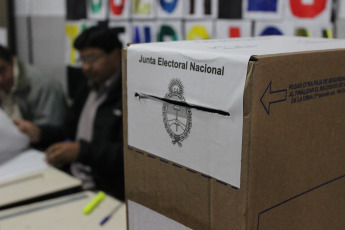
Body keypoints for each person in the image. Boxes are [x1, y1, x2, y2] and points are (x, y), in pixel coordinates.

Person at [14, 25, 125, 201]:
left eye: (93, 58)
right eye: (83, 60)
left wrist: (81, 152)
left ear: (116, 55)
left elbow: (127, 155)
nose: (86, 67)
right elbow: (68, 131)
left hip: (105, 190)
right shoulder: (87, 87)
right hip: (73, 178)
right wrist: (39, 133)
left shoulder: (128, 94)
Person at [0, 45, 67, 126]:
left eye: (2, 70)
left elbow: (51, 130)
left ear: (12, 61)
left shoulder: (43, 86)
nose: (1, 80)